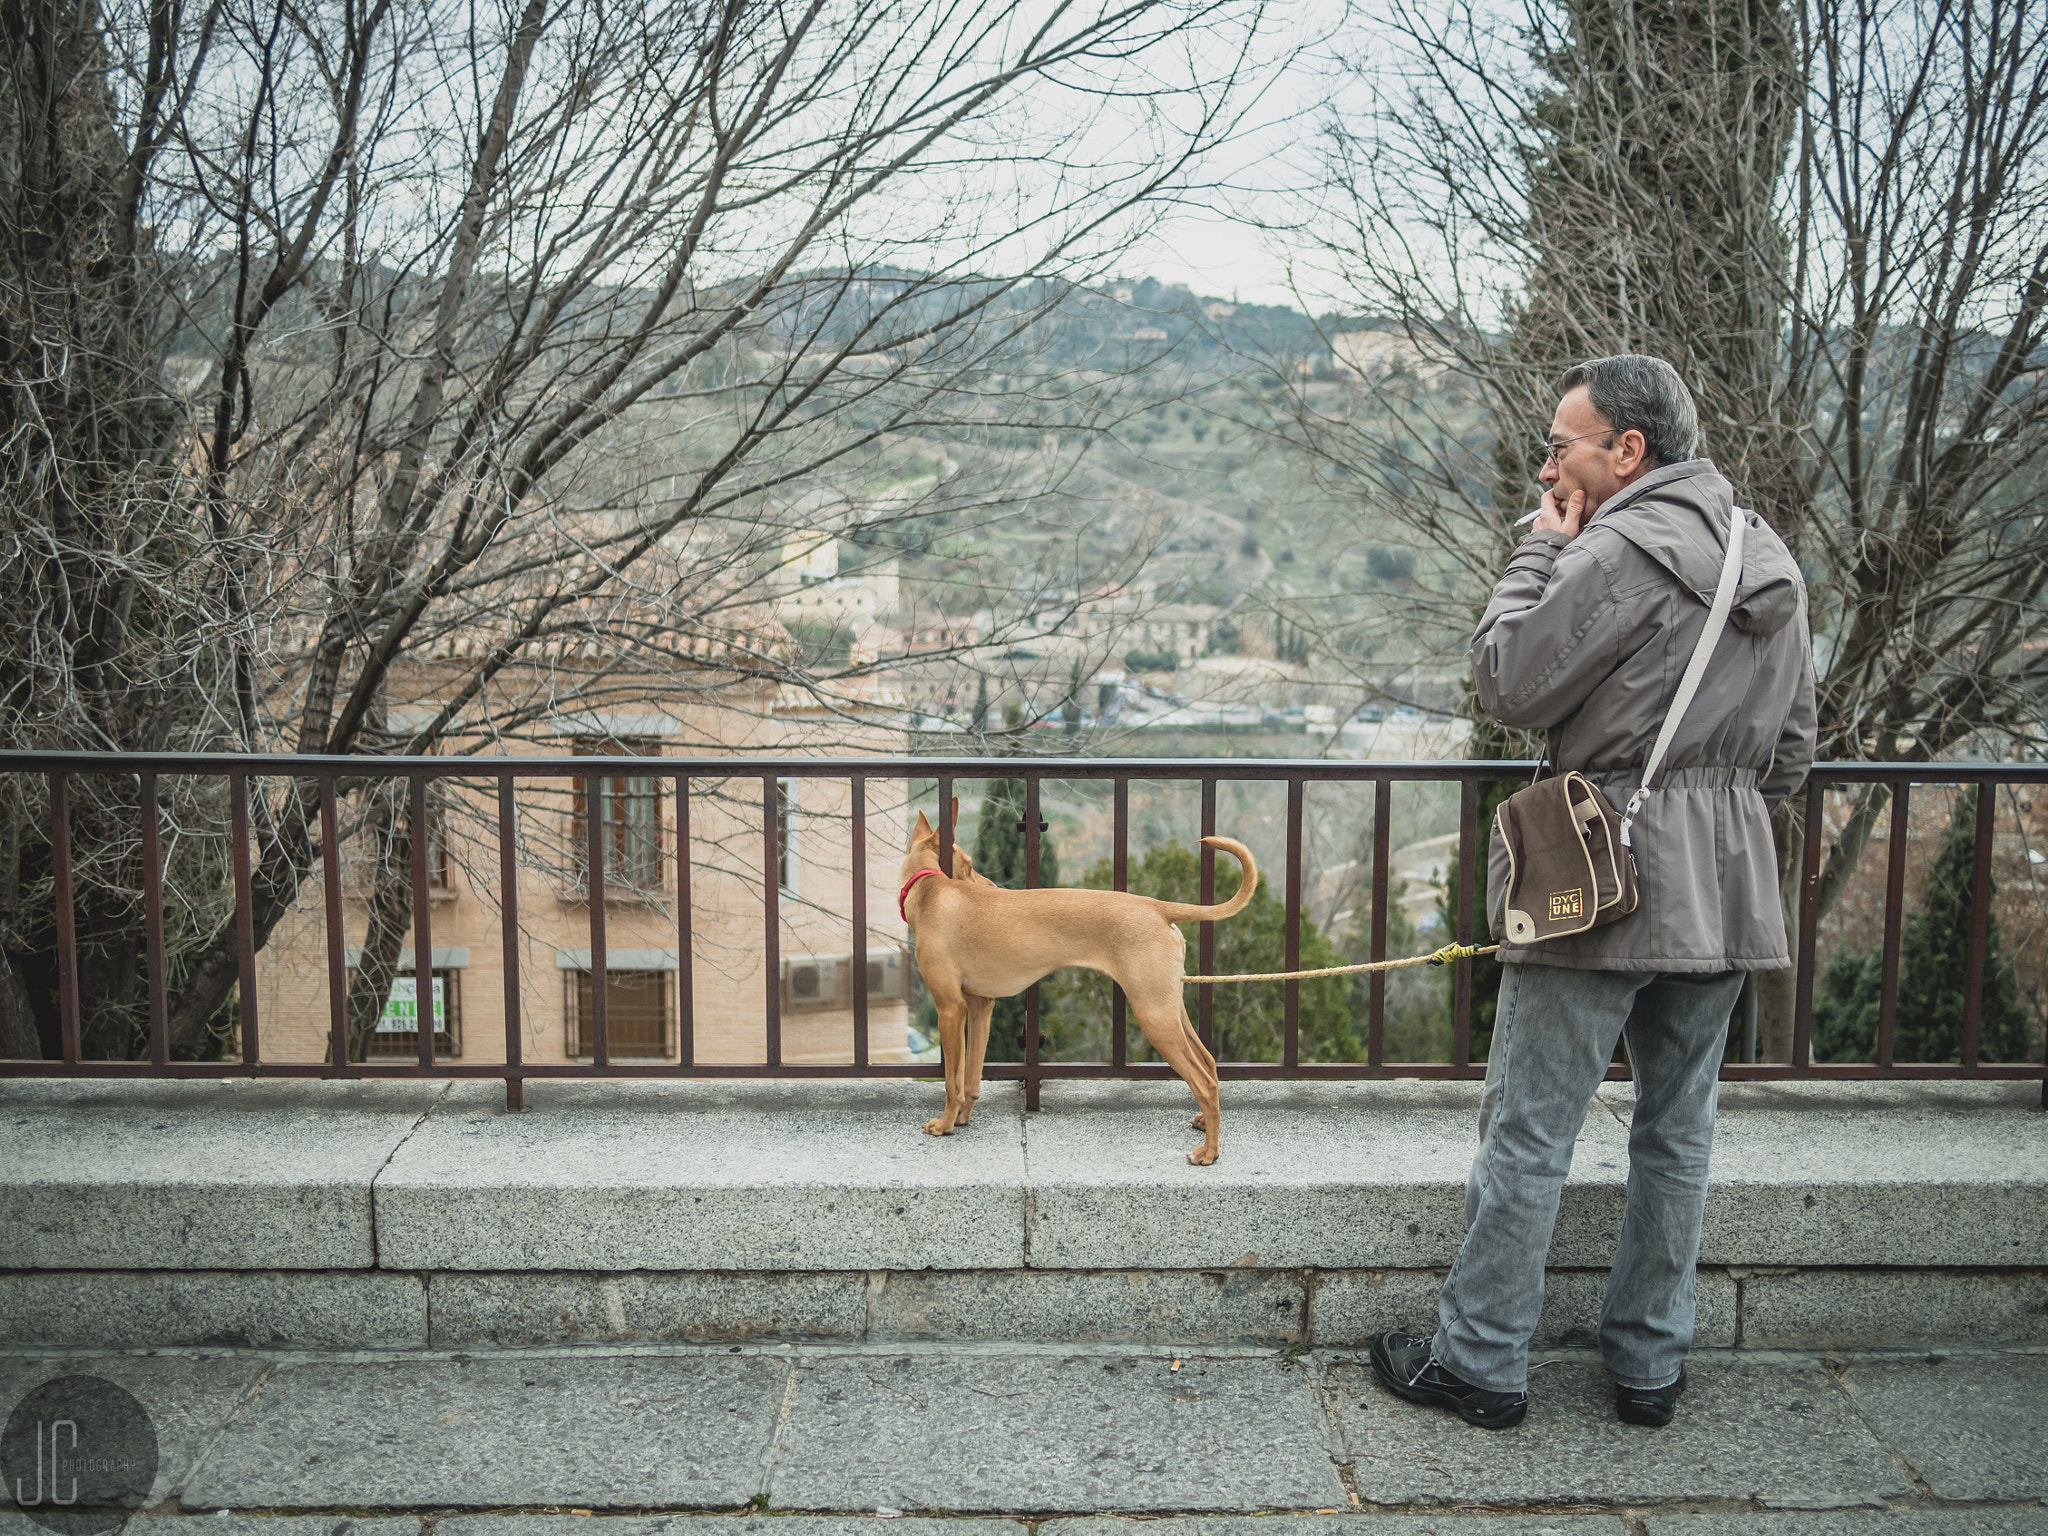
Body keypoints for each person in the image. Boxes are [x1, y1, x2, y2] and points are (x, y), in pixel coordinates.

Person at [1371, 355, 1817, 1430]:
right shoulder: (1766, 555)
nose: (1545, 463)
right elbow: (1792, 752)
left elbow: (1507, 681)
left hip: (1601, 875)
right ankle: (1649, 1365)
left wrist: (1537, 550)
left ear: (1628, 450)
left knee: (1528, 1131)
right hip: (1725, 886)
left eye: (1562, 443)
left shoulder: (1617, 549)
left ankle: (1478, 1362)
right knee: (1677, 1133)